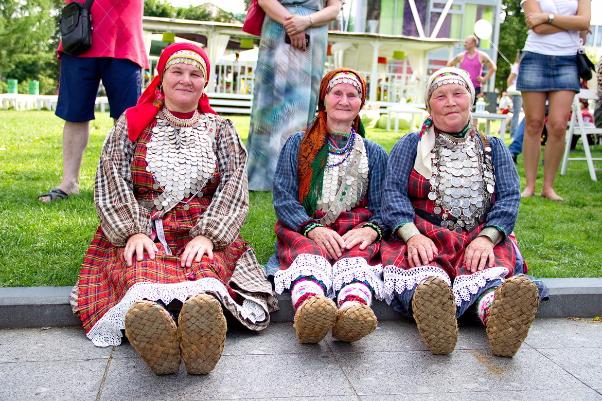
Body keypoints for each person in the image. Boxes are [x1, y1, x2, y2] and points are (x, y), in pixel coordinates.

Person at [73, 43, 276, 375]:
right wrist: (133, 232)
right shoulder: (132, 123)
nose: (186, 80)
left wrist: (209, 236)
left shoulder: (220, 130)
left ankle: (200, 333)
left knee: (206, 271)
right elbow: (111, 176)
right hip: (145, 228)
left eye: (195, 74)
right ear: (161, 78)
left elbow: (233, 186)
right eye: (177, 72)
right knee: (140, 269)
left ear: (205, 82)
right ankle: (157, 334)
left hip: (200, 229)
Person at [380, 67, 542, 358]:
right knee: (422, 276)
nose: (450, 101)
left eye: (458, 93)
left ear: (471, 98)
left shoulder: (493, 146)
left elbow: (508, 199)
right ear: (429, 105)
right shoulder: (410, 145)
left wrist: (487, 239)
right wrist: (412, 236)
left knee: (487, 274)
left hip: (479, 238)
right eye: (440, 96)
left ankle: (498, 317)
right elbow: (392, 194)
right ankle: (433, 313)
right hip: (426, 235)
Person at [270, 69, 388, 344]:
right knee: (308, 255)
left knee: (357, 257)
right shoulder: (298, 144)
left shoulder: (374, 153)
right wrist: (311, 228)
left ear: (362, 103)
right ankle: (310, 308)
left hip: (353, 228)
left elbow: (384, 206)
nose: (344, 101)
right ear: (323, 100)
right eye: (337, 93)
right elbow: (284, 199)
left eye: (353, 95)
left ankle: (353, 311)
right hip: (305, 225)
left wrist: (371, 230)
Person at [39, 0, 148, 202]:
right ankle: (69, 183)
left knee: (127, 120)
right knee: (74, 114)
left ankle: (125, 185)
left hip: (124, 38)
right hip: (79, 34)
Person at [246, 0, 342, 191]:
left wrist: (306, 21)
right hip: (278, 26)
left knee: (303, 101)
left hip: (314, 32)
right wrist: (292, 24)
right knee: (269, 102)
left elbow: (334, 8)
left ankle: (292, 175)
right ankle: (261, 175)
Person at [518, 0, 591, 200]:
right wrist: (571, 23)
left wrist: (547, 17)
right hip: (535, 57)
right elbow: (537, 27)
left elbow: (584, 22)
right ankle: (530, 185)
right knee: (533, 123)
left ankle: (548, 187)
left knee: (558, 125)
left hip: (568, 60)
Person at [447, 35, 497, 104]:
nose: (464, 44)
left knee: (473, 110)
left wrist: (484, 79)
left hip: (476, 88)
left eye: (466, 42)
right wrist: (456, 76)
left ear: (473, 43)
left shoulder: (481, 56)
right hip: (462, 87)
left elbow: (493, 67)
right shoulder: (461, 56)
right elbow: (449, 65)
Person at [507, 52, 523, 138]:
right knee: (516, 113)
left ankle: (516, 133)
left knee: (518, 113)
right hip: (517, 93)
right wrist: (510, 93)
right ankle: (513, 134)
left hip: (521, 92)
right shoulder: (517, 66)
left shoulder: (520, 66)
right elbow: (509, 80)